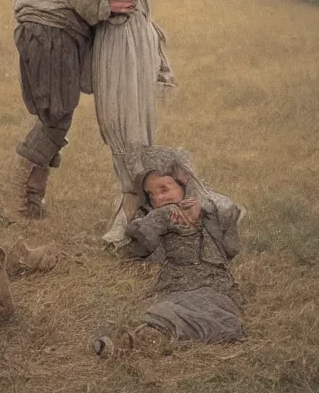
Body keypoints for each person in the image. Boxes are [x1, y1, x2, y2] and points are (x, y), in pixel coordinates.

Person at [11, 0, 136, 219]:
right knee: (56, 116)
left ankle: (29, 201)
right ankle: (17, 199)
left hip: (47, 30)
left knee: (57, 115)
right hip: (51, 30)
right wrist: (106, 5)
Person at [88, 0, 176, 248]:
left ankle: (135, 204)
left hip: (127, 35)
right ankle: (133, 200)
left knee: (129, 120)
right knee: (115, 120)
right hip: (116, 31)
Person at [95, 145, 246, 349]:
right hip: (174, 288)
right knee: (161, 309)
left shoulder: (209, 209)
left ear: (183, 185)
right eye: (151, 194)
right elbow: (136, 247)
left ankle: (146, 339)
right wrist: (161, 218)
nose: (158, 199)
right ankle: (138, 340)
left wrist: (198, 219)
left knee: (213, 312)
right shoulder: (153, 218)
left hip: (213, 287)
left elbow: (230, 244)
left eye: (164, 189)